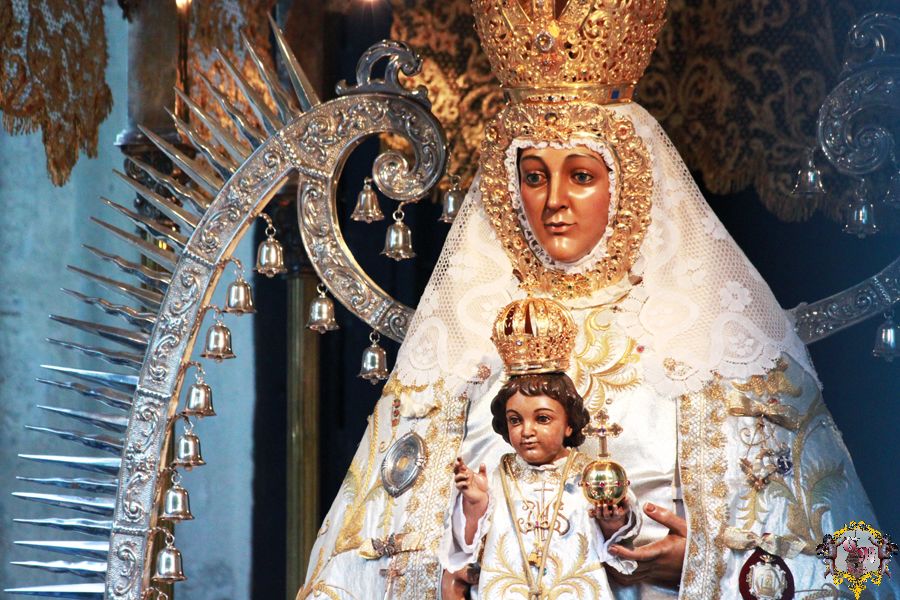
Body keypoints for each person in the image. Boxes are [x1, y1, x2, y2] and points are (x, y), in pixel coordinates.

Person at [299, 1, 898, 598]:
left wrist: (707, 561)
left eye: (581, 175)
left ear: (628, 180)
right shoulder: (466, 341)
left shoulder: (714, 338)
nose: (554, 201)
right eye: (534, 176)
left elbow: (852, 561)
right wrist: (450, 564)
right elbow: (370, 552)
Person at [441, 298, 640, 599]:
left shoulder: (590, 475)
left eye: (543, 418)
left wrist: (612, 521)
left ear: (569, 424)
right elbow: (465, 551)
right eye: (515, 420)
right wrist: (475, 505)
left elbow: (617, 550)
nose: (527, 431)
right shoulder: (496, 478)